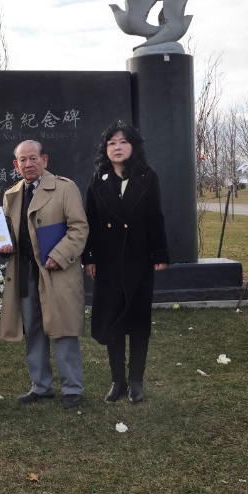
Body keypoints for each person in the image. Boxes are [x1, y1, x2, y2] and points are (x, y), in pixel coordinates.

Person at [0, 140, 89, 409]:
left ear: (44, 160)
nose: (28, 164)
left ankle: (72, 388)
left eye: (33, 158)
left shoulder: (65, 188)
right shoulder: (11, 194)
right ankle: (41, 386)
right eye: (22, 160)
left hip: (56, 273)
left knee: (62, 328)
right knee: (33, 330)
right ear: (16, 166)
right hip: (26, 273)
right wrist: (4, 247)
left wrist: (58, 256)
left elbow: (79, 229)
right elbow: (7, 234)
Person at [83, 121, 169, 404]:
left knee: (138, 320)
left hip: (139, 259)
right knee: (113, 320)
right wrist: (90, 257)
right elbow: (91, 222)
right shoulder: (99, 179)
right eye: (111, 143)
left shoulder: (147, 176)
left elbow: (155, 216)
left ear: (133, 147)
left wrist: (159, 253)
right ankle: (117, 381)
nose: (117, 147)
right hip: (107, 262)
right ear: (105, 150)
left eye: (123, 142)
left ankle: (136, 381)